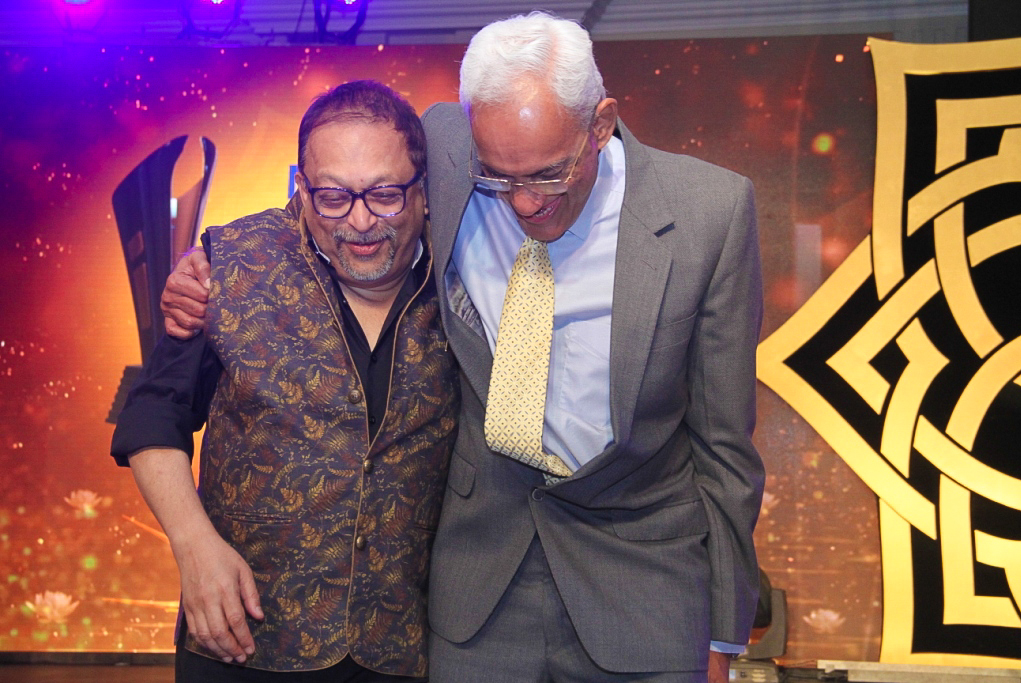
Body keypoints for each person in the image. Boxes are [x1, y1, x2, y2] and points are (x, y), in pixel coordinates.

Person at [163, 12, 764, 683]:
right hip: (481, 592)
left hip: (645, 588)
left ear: (600, 125)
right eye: (498, 177)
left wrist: (724, 632)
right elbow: (337, 190)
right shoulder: (447, 145)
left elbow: (725, 448)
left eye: (548, 174)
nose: (524, 203)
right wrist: (212, 264)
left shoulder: (711, 214)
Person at [111, 80, 458, 682]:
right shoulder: (230, 265)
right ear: (302, 190)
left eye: (384, 195)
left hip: (398, 646)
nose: (360, 221)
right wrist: (193, 547)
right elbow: (152, 416)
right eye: (333, 197)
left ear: (423, 191)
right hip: (243, 641)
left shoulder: (466, 273)